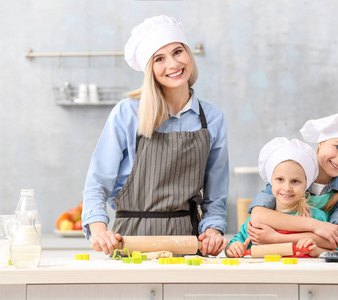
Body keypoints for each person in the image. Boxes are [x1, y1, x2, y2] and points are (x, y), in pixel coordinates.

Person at [81, 15, 229, 256]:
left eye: (178, 52)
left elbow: (217, 194)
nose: (173, 64)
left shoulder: (212, 119)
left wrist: (213, 231)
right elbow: (97, 183)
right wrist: (99, 231)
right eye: (159, 58)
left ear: (189, 54)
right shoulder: (128, 113)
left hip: (188, 248)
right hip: (130, 246)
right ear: (150, 68)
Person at [247, 110, 338, 250]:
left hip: (323, 258)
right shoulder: (293, 170)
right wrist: (316, 226)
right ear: (321, 142)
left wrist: (277, 238)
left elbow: (335, 240)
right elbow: (259, 215)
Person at [226, 138, 337, 258]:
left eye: (295, 181)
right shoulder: (256, 224)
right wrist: (234, 248)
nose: (287, 188)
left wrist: (316, 251)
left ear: (306, 184)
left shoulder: (316, 217)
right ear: (271, 181)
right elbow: (231, 248)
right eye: (280, 179)